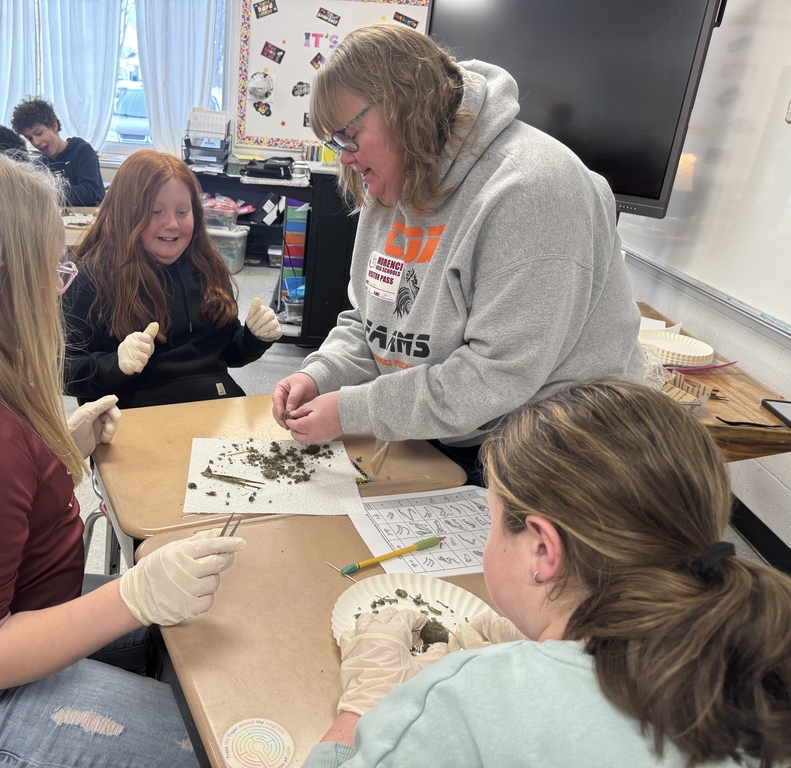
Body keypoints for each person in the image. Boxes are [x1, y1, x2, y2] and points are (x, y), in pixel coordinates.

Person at [0, 143, 245, 767]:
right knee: (210, 745)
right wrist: (131, 598)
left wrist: (59, 447)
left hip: (10, 617)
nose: (62, 284)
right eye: (55, 269)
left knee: (200, 640)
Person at [306, 378, 791, 767]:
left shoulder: (467, 702)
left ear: (542, 549)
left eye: (491, 521)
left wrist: (360, 710)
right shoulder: (758, 668)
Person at [271, 24, 643, 486]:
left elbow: (494, 377)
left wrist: (353, 410)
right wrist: (323, 374)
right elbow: (370, 321)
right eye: (336, 142)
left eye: (350, 136)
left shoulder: (532, 189)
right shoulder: (393, 180)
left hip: (563, 459)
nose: (344, 158)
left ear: (405, 107)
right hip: (454, 430)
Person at [63, 149, 281, 408]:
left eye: (182, 212)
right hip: (136, 418)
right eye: (156, 212)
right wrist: (115, 363)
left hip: (213, 410)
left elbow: (227, 354)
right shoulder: (90, 277)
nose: (172, 225)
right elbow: (62, 372)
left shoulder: (207, 267)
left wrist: (253, 338)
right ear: (125, 213)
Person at [10, 97, 105, 207]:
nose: (36, 142)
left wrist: (44, 191)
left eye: (39, 133)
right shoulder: (39, 164)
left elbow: (90, 193)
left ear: (54, 126)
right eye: (29, 138)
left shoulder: (82, 151)